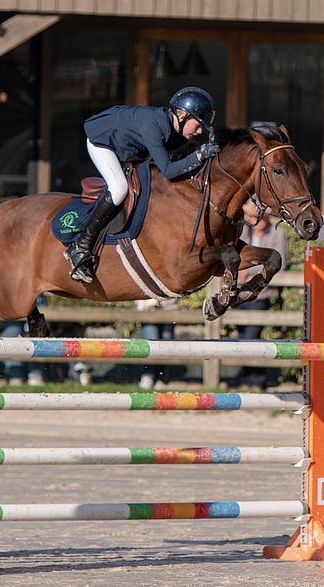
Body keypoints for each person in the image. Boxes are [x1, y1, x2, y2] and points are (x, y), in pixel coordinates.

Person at [64, 87, 220, 284]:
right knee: (119, 188)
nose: (199, 132)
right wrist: (199, 155)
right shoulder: (154, 125)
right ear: (182, 116)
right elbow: (169, 170)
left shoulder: (175, 131)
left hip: (129, 147)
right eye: (198, 125)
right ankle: (80, 246)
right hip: (102, 142)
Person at [234, 200, 289, 390]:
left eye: (259, 216)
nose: (255, 219)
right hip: (240, 293)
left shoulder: (276, 234)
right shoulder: (243, 232)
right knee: (242, 336)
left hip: (261, 294)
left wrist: (248, 273)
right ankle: (248, 377)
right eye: (252, 216)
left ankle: (255, 379)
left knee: (252, 336)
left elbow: (279, 264)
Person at [135, 298, 178, 390]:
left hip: (169, 307)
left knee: (166, 344)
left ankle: (161, 377)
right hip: (148, 308)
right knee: (151, 343)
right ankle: (148, 376)